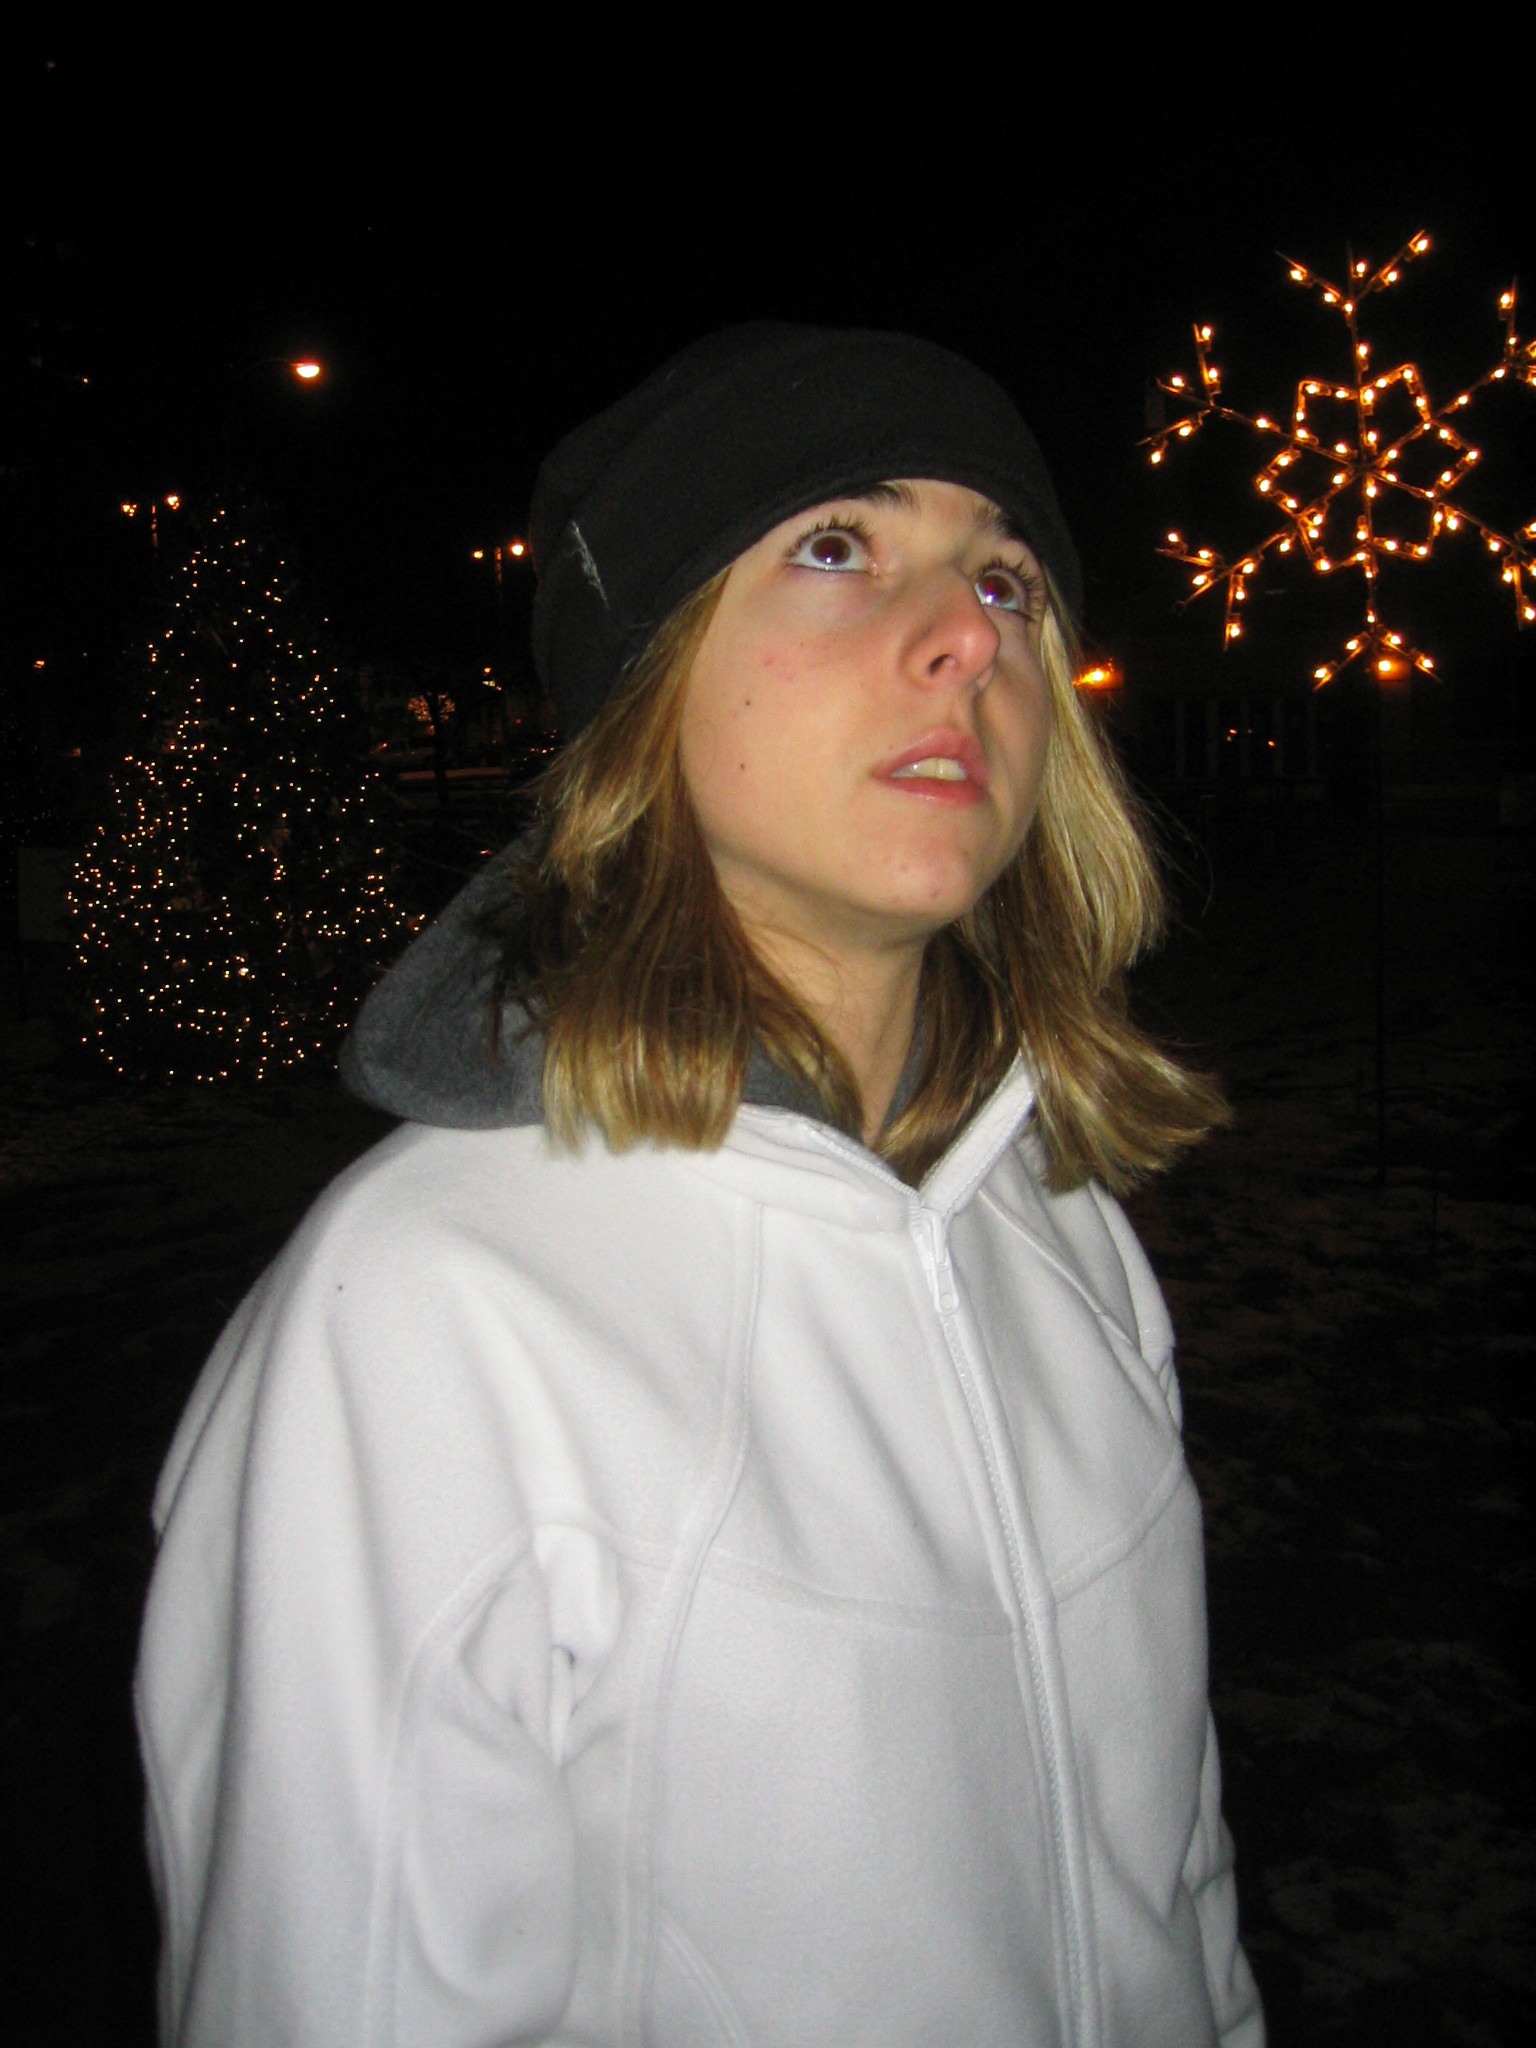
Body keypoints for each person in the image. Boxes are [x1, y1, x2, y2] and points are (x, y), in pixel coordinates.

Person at [136, 324, 1265, 2046]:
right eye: (839, 545)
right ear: (649, 685)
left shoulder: (1066, 1236)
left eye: (1007, 580)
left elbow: (1178, 1892)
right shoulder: (434, 1315)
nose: (971, 636)